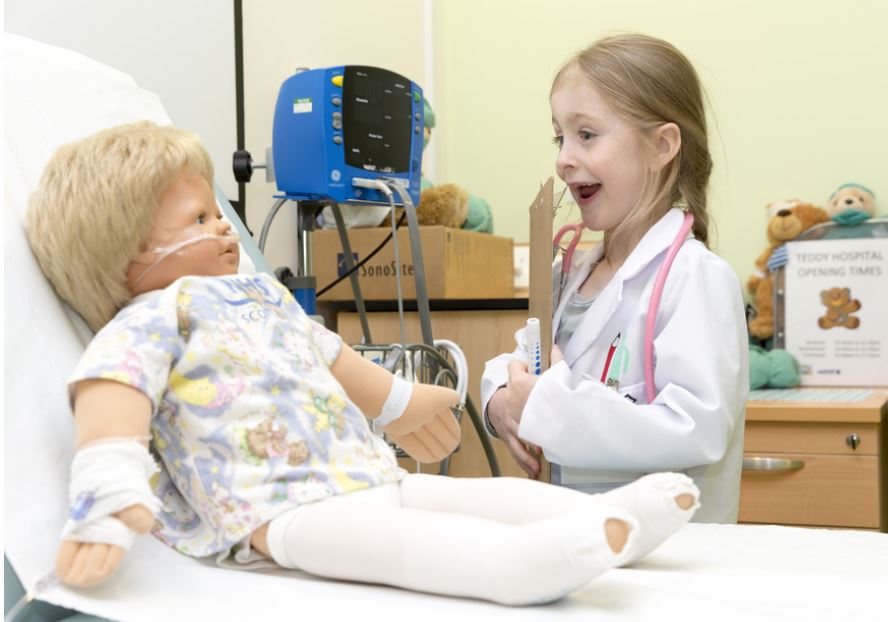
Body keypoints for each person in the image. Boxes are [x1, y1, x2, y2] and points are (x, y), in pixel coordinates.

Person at [27, 121, 700, 606]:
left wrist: (403, 404)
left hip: (361, 472)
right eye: (200, 216)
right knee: (407, 545)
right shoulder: (155, 318)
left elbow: (335, 359)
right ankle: (521, 567)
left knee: (481, 496)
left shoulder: (260, 299)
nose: (226, 226)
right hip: (279, 513)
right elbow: (111, 397)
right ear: (125, 252)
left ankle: (608, 517)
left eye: (220, 210)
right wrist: (106, 502)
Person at [482, 34, 748, 524]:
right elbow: (528, 357)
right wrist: (499, 396)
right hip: (579, 544)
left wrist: (552, 408)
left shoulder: (694, 278)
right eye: (559, 137)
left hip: (667, 558)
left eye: (586, 135)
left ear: (662, 145)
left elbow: (696, 428)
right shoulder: (573, 274)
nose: (563, 158)